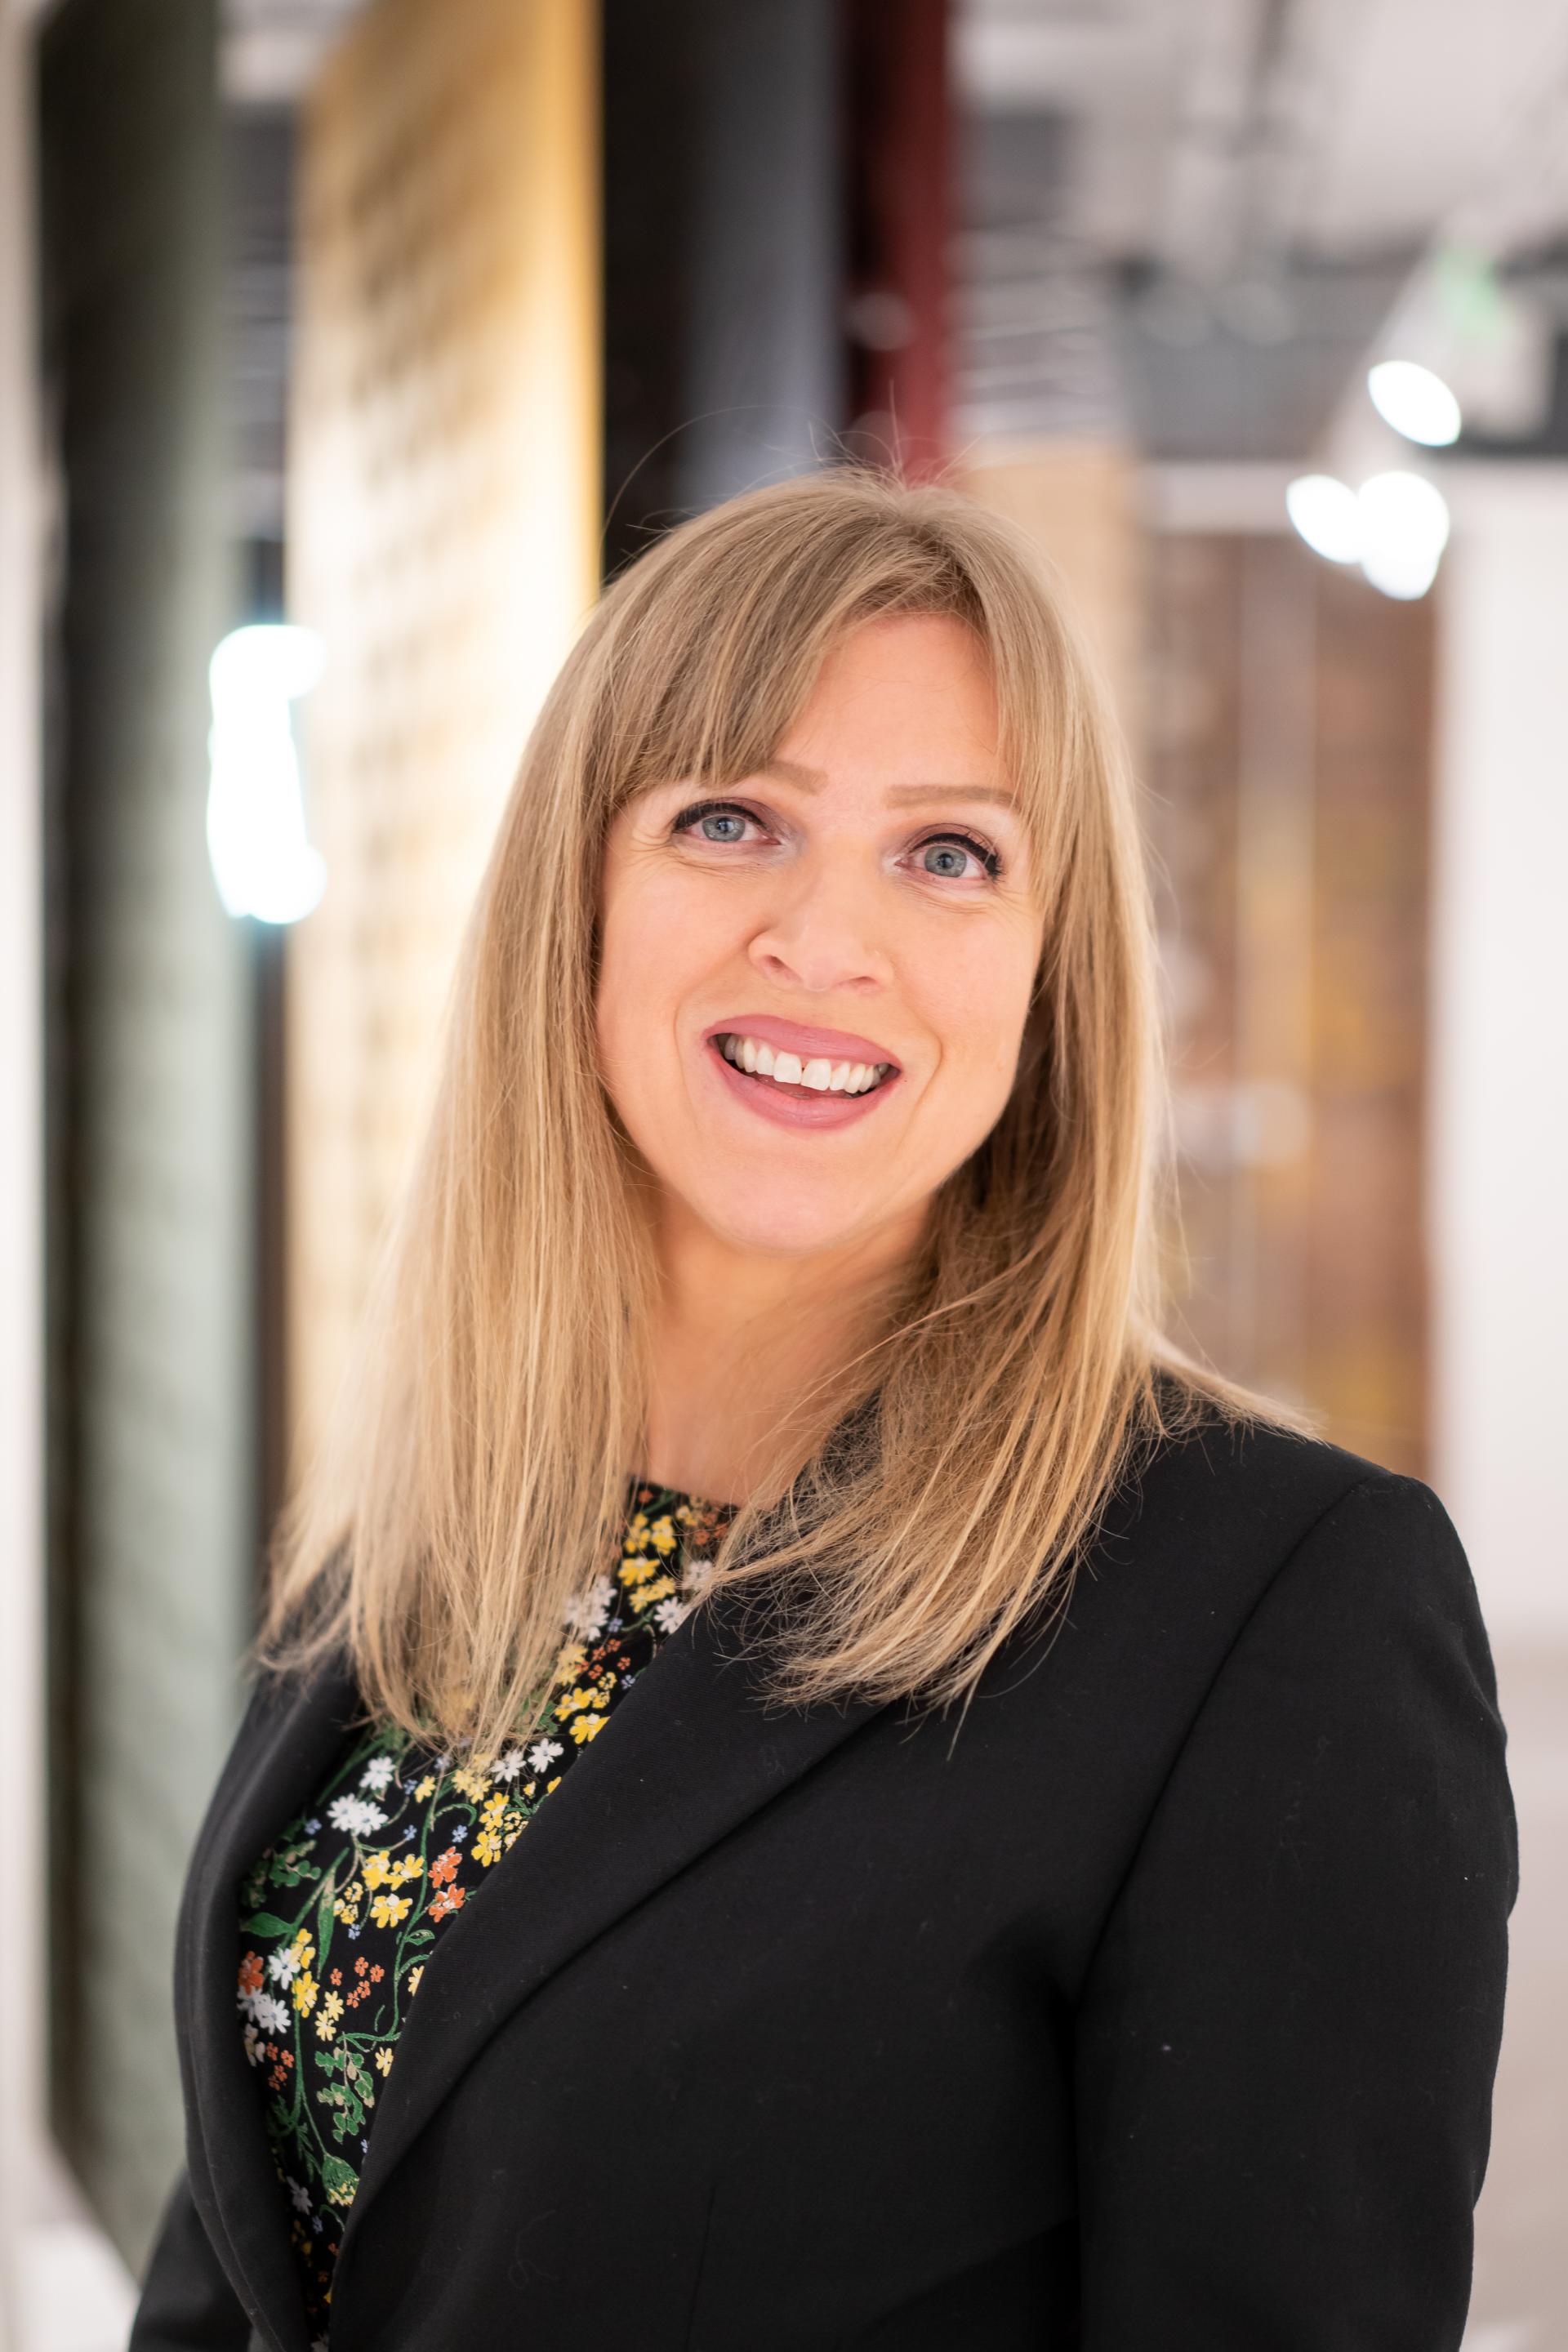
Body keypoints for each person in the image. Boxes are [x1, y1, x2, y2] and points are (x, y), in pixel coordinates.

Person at [130, 470, 1515, 2352]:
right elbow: (256, 2230)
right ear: (581, 905)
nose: (826, 939)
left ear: (1050, 969)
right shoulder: (446, 1507)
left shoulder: (1276, 1603)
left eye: (949, 854)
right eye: (729, 819)